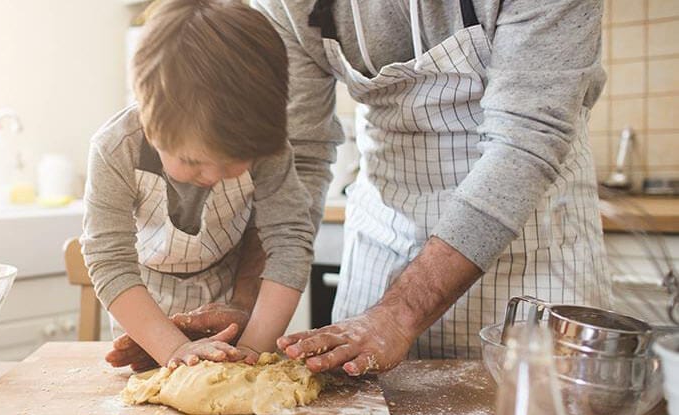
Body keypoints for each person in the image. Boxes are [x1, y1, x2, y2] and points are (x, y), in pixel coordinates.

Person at [248, 0, 609, 375]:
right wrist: (249, 312)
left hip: (531, 250)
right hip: (382, 243)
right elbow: (296, 159)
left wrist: (399, 314)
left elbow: (526, 141)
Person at [80, 0, 314, 370]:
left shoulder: (267, 147)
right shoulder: (116, 149)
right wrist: (171, 348)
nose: (209, 176)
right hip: (146, 308)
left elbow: (290, 242)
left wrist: (252, 348)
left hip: (236, 305)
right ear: (148, 119)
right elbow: (110, 261)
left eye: (231, 164)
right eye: (190, 161)